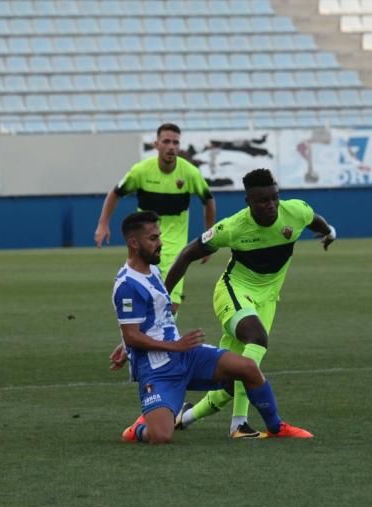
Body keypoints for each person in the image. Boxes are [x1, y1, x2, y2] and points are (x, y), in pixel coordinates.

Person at [163, 168, 336, 438]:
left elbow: (316, 221)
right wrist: (163, 300)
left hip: (267, 299)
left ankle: (185, 417)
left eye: (274, 198)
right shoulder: (232, 227)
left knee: (236, 375)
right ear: (248, 202)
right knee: (256, 341)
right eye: (262, 201)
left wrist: (329, 233)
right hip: (234, 291)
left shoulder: (295, 212)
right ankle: (256, 425)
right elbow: (187, 254)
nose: (270, 206)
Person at [111, 210, 312, 443]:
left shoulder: (153, 270)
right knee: (161, 436)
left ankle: (277, 427)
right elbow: (133, 335)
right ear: (133, 243)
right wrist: (157, 344)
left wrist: (128, 343)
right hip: (158, 370)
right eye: (153, 239)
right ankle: (138, 428)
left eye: (159, 236)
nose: (161, 243)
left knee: (247, 368)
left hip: (186, 356)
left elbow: (152, 319)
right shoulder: (126, 284)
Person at [95, 122, 215, 314]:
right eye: (166, 141)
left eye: (175, 142)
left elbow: (208, 201)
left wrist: (209, 238)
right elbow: (115, 193)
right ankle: (144, 339)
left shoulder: (190, 173)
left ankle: (152, 339)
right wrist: (103, 223)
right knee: (143, 299)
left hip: (176, 249)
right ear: (156, 144)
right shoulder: (141, 171)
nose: (171, 146)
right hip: (144, 246)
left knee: (170, 304)